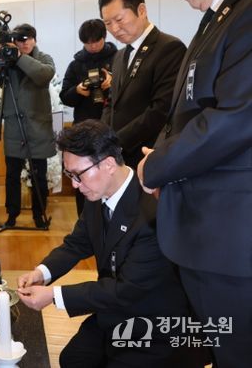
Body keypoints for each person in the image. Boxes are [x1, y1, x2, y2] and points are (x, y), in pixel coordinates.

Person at [137, 0, 252, 366]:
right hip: (214, 232)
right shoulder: (223, 13)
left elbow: (235, 118)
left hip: (233, 235)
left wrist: (156, 166)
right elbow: (188, 108)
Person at [17, 120, 201, 368]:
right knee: (72, 359)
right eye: (70, 175)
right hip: (114, 313)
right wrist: (42, 273)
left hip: (154, 327)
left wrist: (53, 295)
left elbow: (125, 290)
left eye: (78, 175)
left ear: (108, 164)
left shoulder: (152, 212)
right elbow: (77, 244)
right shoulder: (98, 192)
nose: (74, 185)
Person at [99, 0, 186, 168]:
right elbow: (112, 102)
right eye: (108, 24)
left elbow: (161, 109)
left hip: (149, 154)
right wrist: (103, 136)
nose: (114, 29)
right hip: (119, 157)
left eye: (119, 19)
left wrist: (117, 141)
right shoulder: (119, 55)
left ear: (141, 10)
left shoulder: (168, 47)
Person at [0, 23, 56, 229]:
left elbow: (43, 75)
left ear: (35, 40)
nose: (25, 43)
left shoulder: (43, 58)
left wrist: (19, 57)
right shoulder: (6, 61)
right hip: (13, 126)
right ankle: (12, 214)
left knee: (38, 175)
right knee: (12, 174)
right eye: (20, 40)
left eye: (29, 39)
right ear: (14, 42)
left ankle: (39, 215)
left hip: (38, 127)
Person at [60, 19, 117, 214]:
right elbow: (65, 97)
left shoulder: (118, 59)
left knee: (110, 175)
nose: (92, 46)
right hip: (83, 129)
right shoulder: (76, 65)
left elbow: (132, 93)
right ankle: (84, 219)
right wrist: (77, 90)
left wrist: (113, 85)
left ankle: (111, 217)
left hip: (111, 127)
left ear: (104, 37)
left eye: (96, 41)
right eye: (87, 43)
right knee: (82, 176)